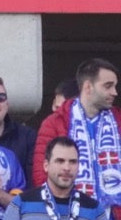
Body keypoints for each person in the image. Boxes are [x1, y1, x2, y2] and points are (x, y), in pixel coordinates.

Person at [33, 58, 121, 200]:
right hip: (71, 214)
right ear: (88, 87)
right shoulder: (54, 122)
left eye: (115, 86)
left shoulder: (118, 120)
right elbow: (42, 171)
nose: (114, 92)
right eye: (108, 86)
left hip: (114, 217)